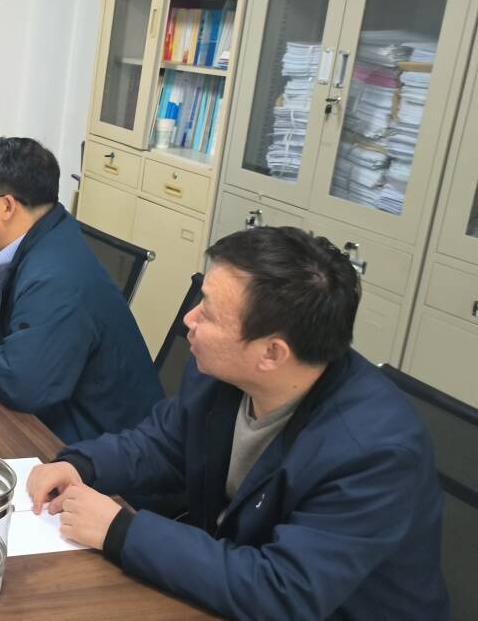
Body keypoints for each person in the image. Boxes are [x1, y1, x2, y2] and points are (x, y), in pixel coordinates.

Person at [27, 226, 449, 619]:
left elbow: (284, 590)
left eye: (208, 314)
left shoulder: (374, 454)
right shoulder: (220, 374)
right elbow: (163, 444)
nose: (189, 320)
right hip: (231, 585)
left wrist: (123, 532)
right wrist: (82, 465)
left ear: (272, 354)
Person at [0, 138, 160, 444]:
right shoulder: (0, 241)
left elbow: (22, 386)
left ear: (6, 206)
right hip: (47, 415)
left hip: (98, 443)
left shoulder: (56, 277)